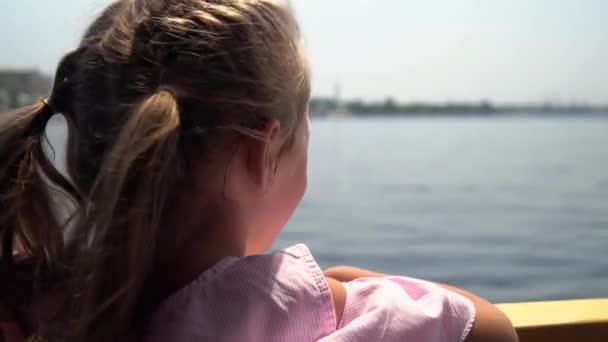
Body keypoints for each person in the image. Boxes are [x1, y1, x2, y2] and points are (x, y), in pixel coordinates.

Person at [0, 0, 518, 341]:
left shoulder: (35, 299)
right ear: (262, 153)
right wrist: (348, 285)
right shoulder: (284, 305)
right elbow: (494, 332)